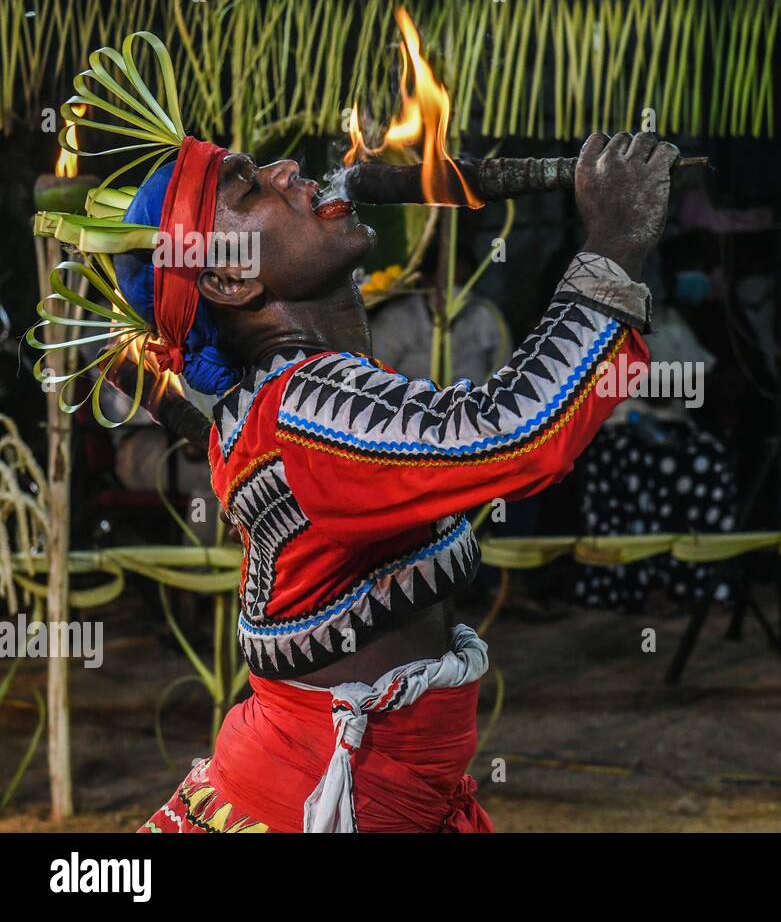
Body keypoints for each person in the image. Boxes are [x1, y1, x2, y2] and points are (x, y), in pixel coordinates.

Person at [85, 126, 676, 832]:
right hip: (325, 803)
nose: (289, 169)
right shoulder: (303, 410)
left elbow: (248, 451)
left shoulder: (269, 406)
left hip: (363, 790)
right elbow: (517, 433)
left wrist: (167, 400)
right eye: (250, 185)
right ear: (229, 276)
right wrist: (613, 243)